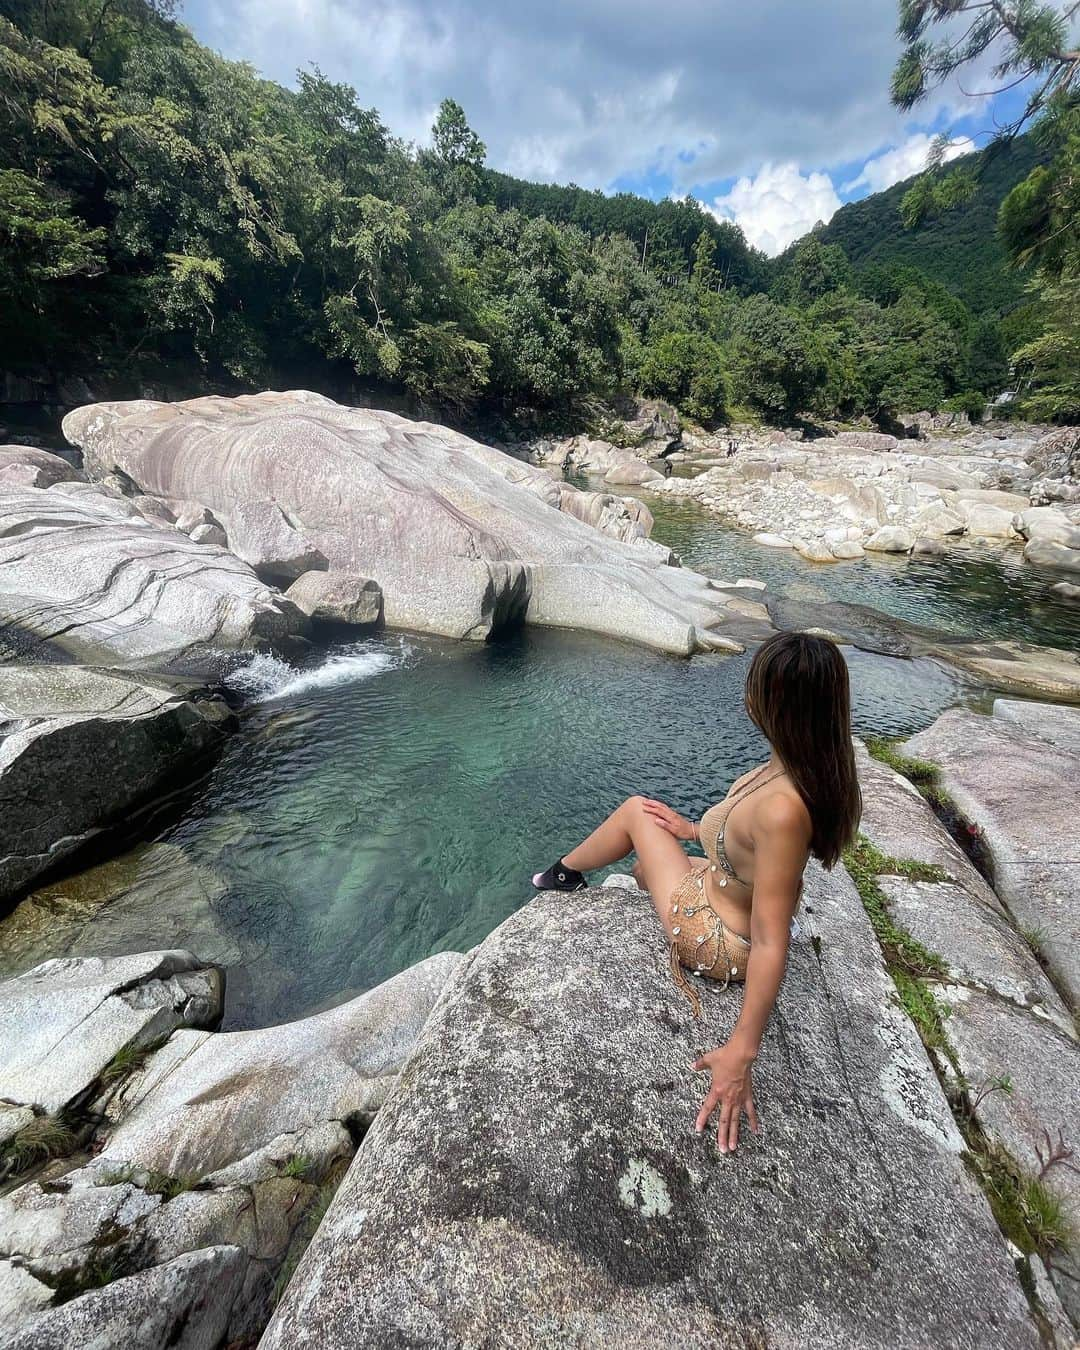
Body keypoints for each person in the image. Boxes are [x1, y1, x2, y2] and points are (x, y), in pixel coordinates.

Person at [531, 632, 861, 1153]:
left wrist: (740, 1054)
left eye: (757, 684)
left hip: (720, 936)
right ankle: (596, 871)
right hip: (722, 885)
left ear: (778, 704)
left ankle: (562, 874)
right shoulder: (797, 764)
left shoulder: (784, 809)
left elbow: (773, 939)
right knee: (643, 865)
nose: (747, 692)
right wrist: (693, 831)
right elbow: (746, 846)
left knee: (637, 812)